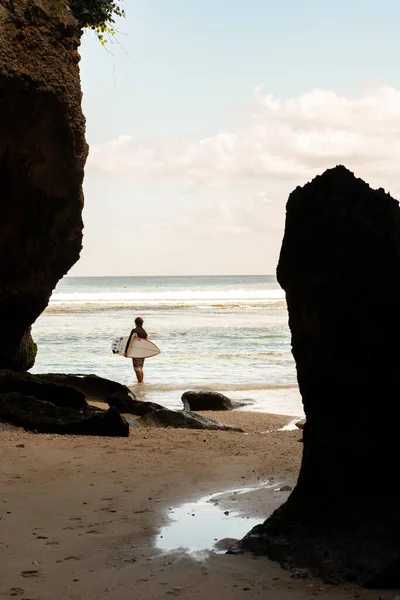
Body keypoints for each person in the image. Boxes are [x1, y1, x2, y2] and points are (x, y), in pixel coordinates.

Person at [126, 316, 148, 383]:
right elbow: (146, 343)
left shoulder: (134, 330)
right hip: (142, 352)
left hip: (136, 352)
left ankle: (140, 382)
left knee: (137, 368)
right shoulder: (145, 332)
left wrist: (126, 351)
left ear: (135, 323)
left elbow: (130, 341)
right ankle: (141, 382)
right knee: (140, 368)